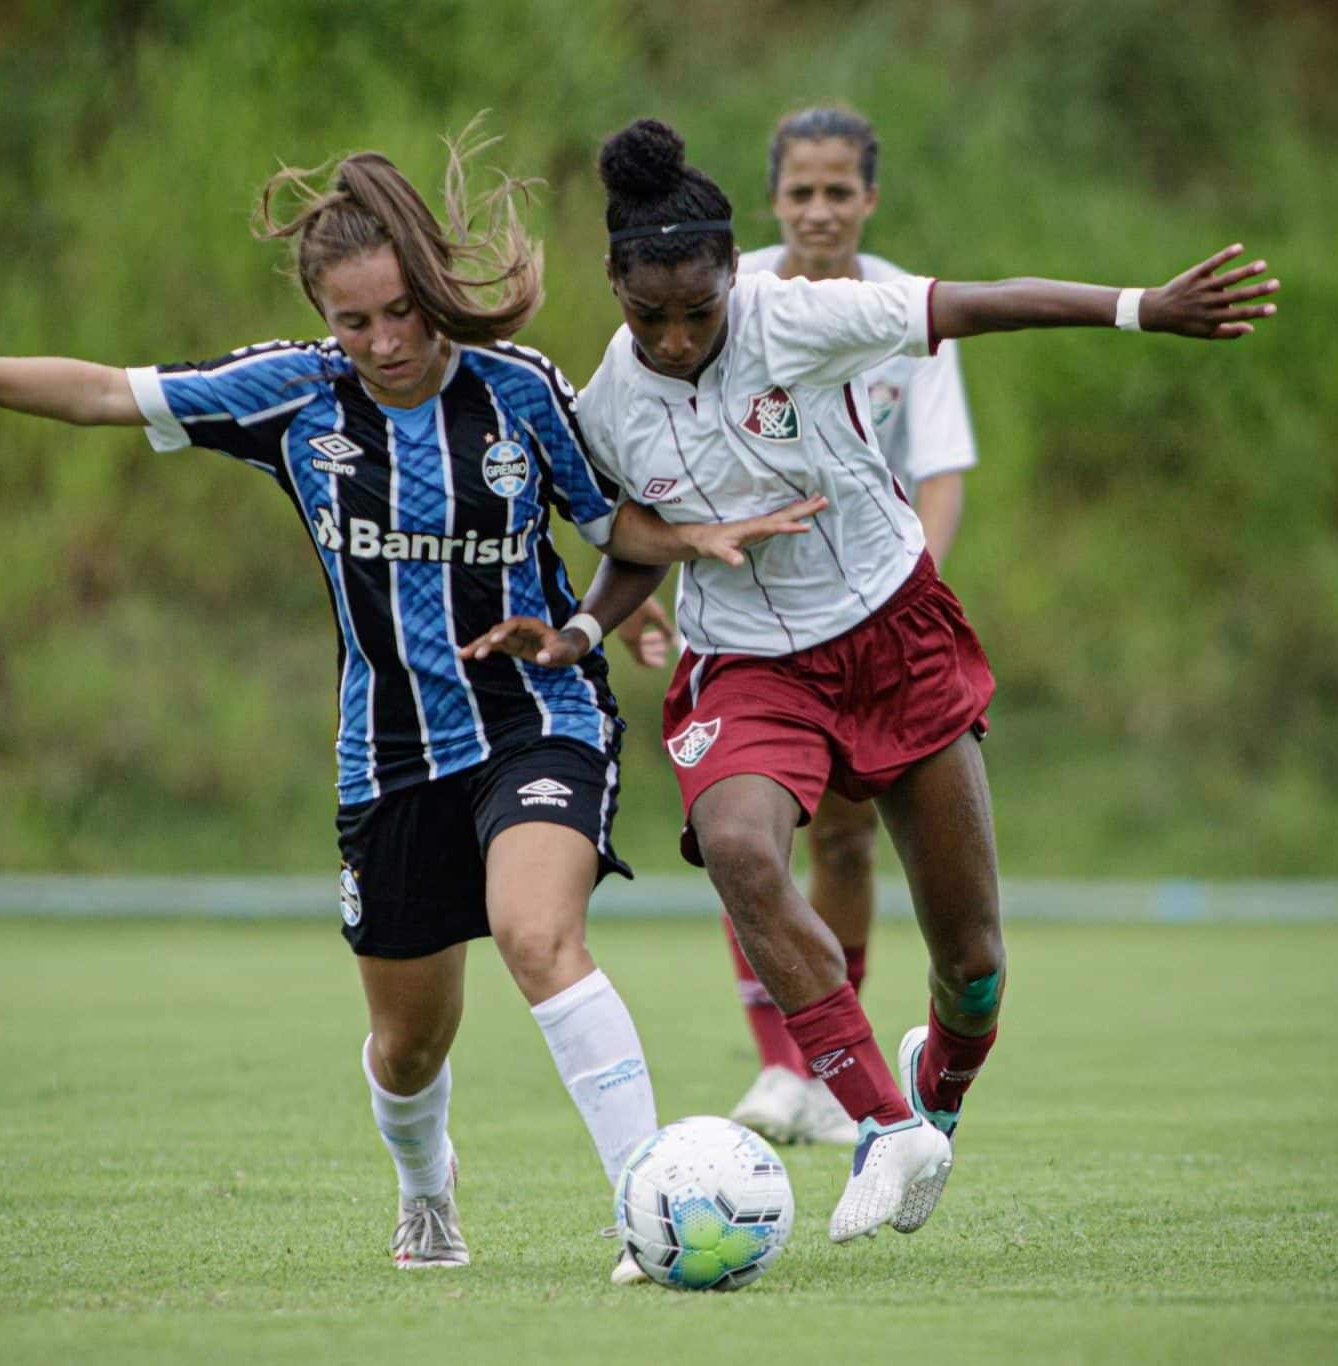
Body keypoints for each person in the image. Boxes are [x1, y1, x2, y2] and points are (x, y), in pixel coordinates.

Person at [0, 135, 818, 1278]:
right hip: (386, 756)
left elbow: (609, 519)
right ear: (322, 319)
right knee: (405, 1043)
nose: (385, 343)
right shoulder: (292, 393)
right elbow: (100, 391)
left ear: (435, 289)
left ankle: (647, 1214)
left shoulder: (521, 391)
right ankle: (425, 1189)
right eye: (357, 322)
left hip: (537, 719)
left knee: (538, 935)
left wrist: (671, 556)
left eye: (403, 311)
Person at [466, 118, 1277, 1246]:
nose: (677, 334)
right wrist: (578, 628)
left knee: (974, 964)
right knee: (741, 847)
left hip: (888, 630)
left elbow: (977, 304)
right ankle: (883, 1123)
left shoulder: (793, 314)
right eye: (648, 313)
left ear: (728, 277)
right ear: (612, 283)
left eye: (698, 309)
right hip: (744, 661)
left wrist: (1142, 306)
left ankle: (932, 1093)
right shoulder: (607, 399)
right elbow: (637, 541)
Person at [719, 106, 984, 1146]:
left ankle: (831, 1076)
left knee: (844, 837)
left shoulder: (900, 307)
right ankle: (783, 1067)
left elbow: (941, 473)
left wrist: (901, 591)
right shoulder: (724, 293)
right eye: (800, 191)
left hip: (868, 626)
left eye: (839, 191)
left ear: (868, 198)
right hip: (748, 618)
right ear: (773, 198)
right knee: (749, 838)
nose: (819, 209)